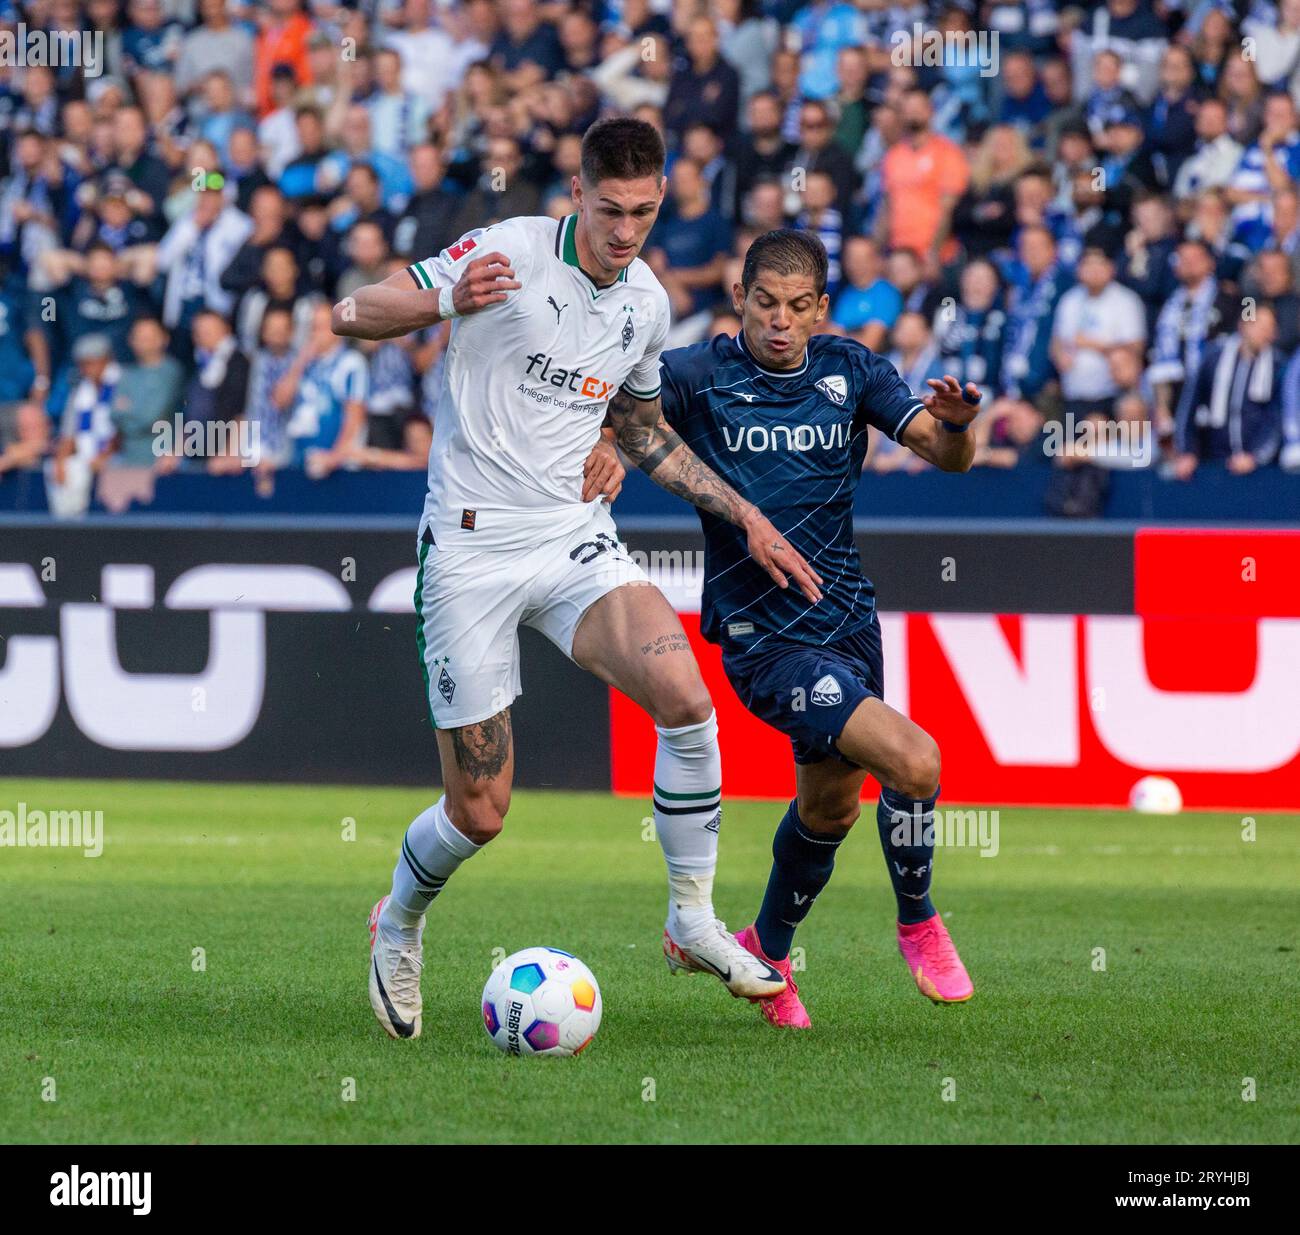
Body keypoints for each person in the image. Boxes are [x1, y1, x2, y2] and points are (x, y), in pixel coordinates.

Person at [333, 118, 820, 1040]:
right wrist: (440, 302)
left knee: (685, 697)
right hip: (472, 549)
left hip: (570, 538)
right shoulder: (506, 253)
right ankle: (396, 920)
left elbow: (638, 425)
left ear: (662, 197)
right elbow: (349, 313)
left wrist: (733, 509)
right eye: (609, 210)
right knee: (481, 811)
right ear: (577, 193)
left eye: (643, 210)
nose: (625, 230)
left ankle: (691, 919)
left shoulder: (646, 301)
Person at [657, 229, 980, 1028]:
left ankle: (766, 949)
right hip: (762, 638)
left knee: (831, 809)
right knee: (915, 759)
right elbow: (623, 417)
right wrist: (599, 445)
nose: (779, 321)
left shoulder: (851, 370)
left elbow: (947, 456)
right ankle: (919, 922)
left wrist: (960, 424)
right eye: (764, 303)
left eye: (798, 307)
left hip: (848, 625)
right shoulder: (696, 375)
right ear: (739, 299)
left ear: (820, 309)